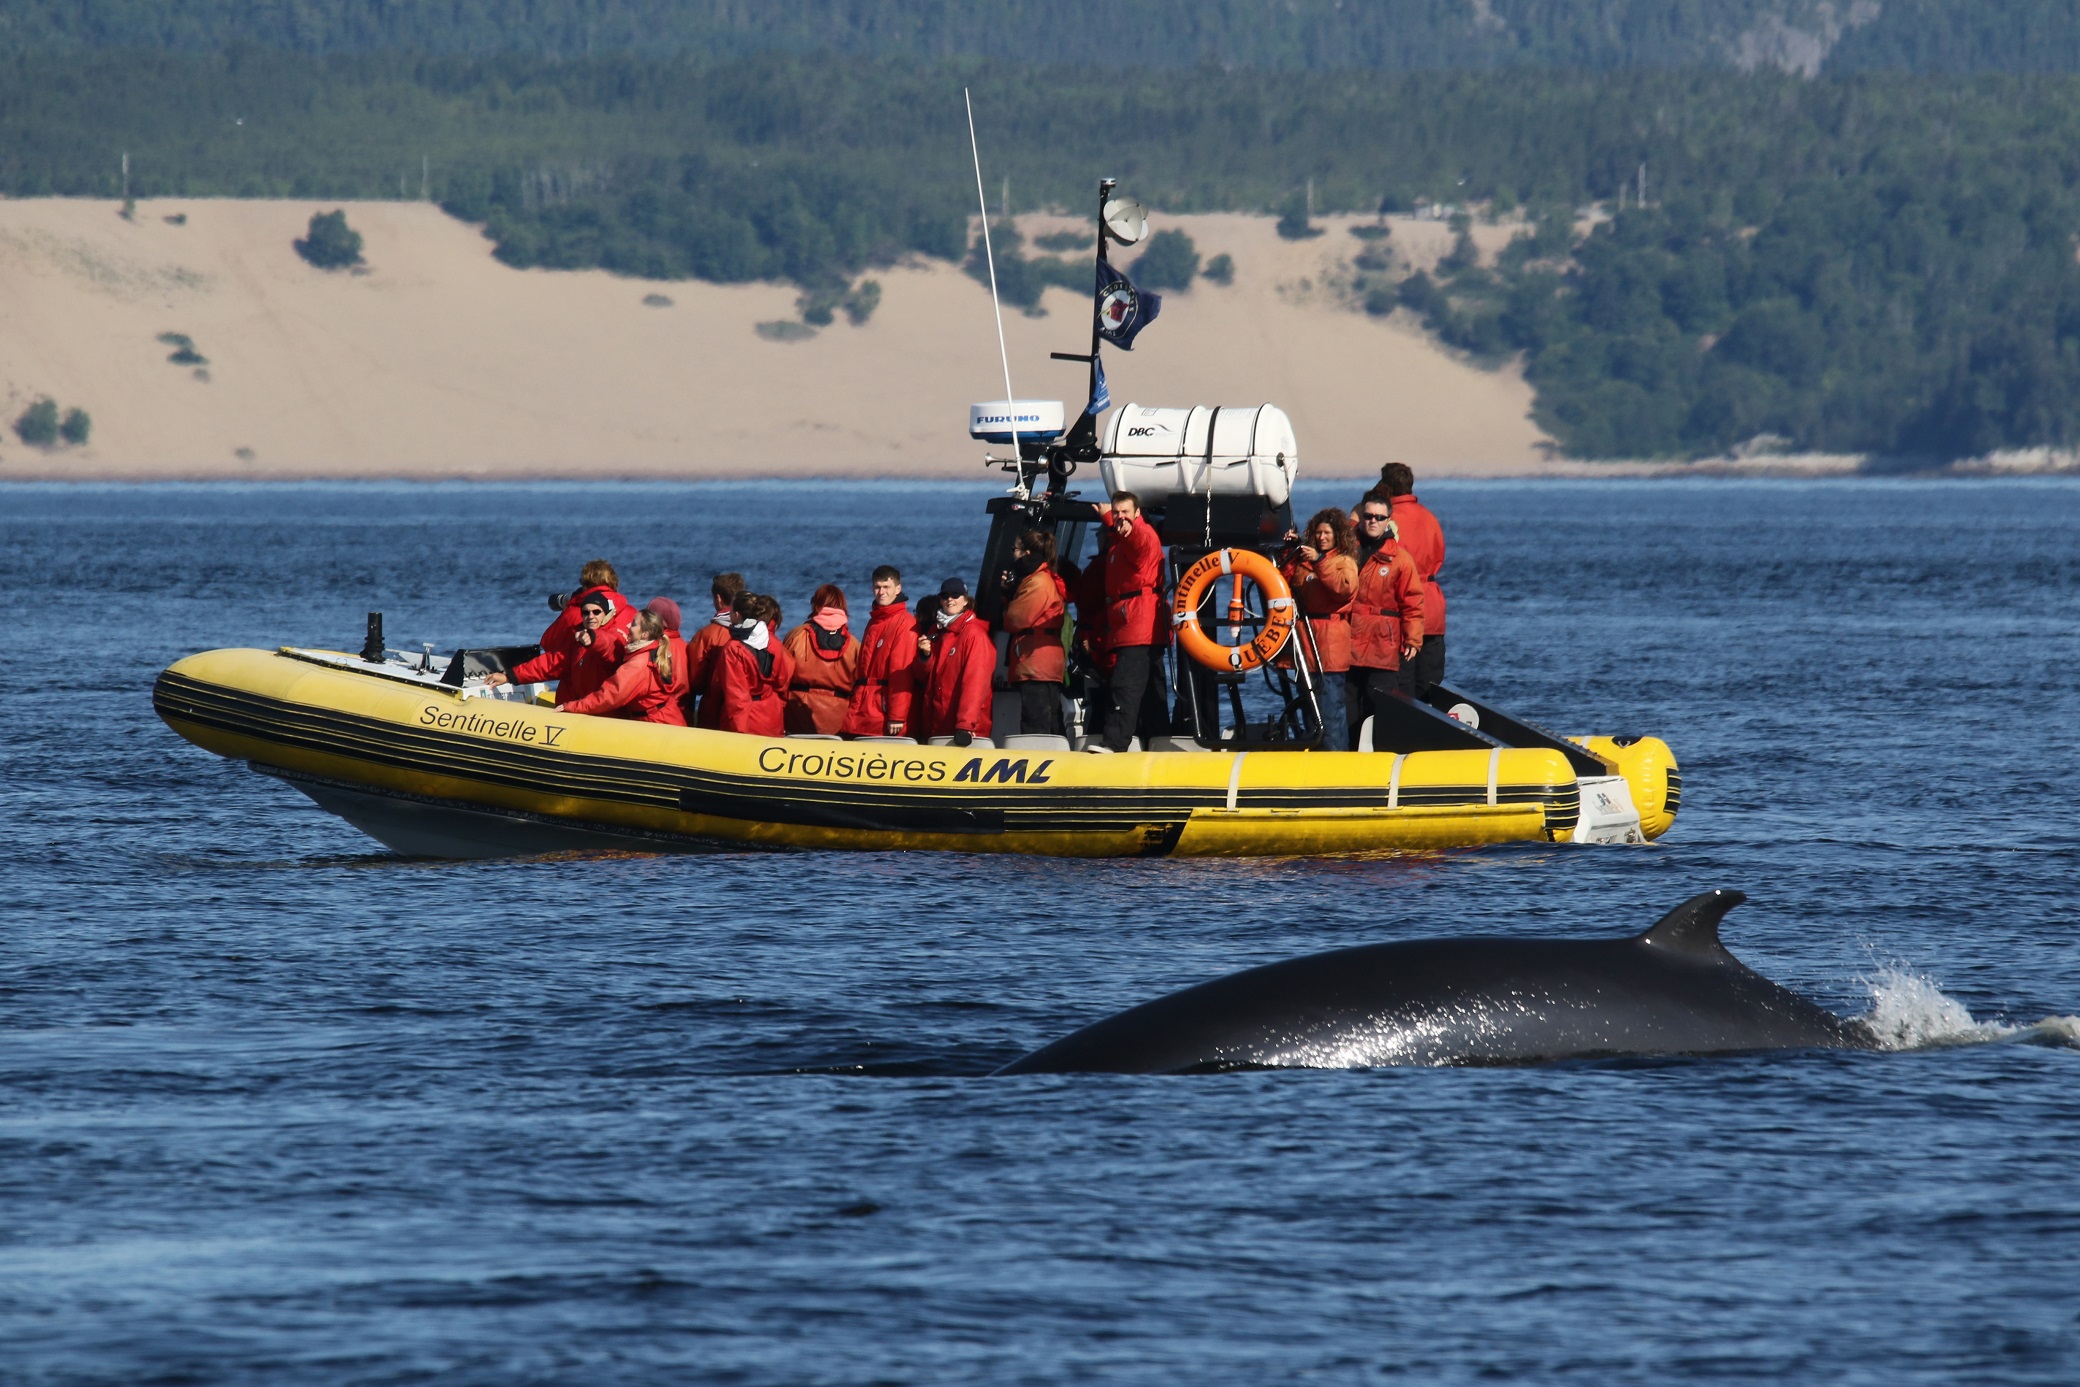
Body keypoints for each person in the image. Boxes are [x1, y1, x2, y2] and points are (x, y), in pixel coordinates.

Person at [1346, 498, 1427, 749]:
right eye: (1369, 516)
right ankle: (1346, 754)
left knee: (1380, 701)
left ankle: (1386, 753)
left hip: (1383, 642)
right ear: (1361, 518)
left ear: (1388, 521)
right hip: (1348, 639)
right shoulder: (1346, 551)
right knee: (1348, 705)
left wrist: (1413, 638)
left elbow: (1412, 602)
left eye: (1379, 517)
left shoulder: (1400, 559)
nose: (1373, 521)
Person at [1092, 491, 1168, 753]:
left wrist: (1112, 521)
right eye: (1116, 512)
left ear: (1137, 513)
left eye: (1126, 512)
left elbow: (1137, 541)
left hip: (1138, 626)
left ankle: (1114, 744)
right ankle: (1159, 740)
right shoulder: (1119, 542)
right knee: (1151, 692)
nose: (1121, 518)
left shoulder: (1141, 535)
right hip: (1138, 625)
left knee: (1125, 685)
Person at [1280, 507, 1359, 752]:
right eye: (1318, 533)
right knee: (1308, 707)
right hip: (1305, 640)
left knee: (1330, 710)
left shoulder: (1344, 562)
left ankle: (1336, 757)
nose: (1322, 537)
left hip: (1330, 644)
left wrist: (1319, 561)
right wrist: (1290, 551)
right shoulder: (1305, 563)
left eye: (1327, 533)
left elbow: (1343, 589)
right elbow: (1282, 581)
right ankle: (1313, 753)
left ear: (1337, 535)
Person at [487, 584, 632, 706]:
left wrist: (593, 639)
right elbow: (551, 664)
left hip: (605, 713)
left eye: (596, 612)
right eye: (586, 613)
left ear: (606, 615)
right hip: (582, 708)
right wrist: (510, 676)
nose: (591, 616)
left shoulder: (613, 637)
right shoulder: (578, 644)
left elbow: (608, 645)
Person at [1376, 462, 1448, 693]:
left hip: (1402, 609)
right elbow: (1438, 556)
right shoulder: (1429, 517)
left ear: (1385, 486)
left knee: (1402, 687)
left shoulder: (1386, 520)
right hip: (1432, 607)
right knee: (1430, 687)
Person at [560, 609, 688, 725]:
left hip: (658, 724)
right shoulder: (653, 650)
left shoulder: (637, 665)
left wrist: (572, 706)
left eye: (634, 624)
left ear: (645, 634)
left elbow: (609, 696)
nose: (628, 626)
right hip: (666, 719)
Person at [1001, 529, 1068, 737]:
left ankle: (1039, 753)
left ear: (1026, 553)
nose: (1012, 554)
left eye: (1014, 549)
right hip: (1042, 661)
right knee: (1049, 721)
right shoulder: (1040, 579)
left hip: (1037, 662)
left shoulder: (1038, 582)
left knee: (1036, 723)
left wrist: (1008, 596)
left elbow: (1015, 620)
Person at [841, 565, 919, 739]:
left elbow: (901, 673)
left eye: (886, 587)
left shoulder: (905, 623)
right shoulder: (874, 621)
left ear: (898, 589)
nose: (881, 592)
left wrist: (897, 716)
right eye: (877, 587)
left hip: (883, 711)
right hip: (864, 705)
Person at [914, 577, 993, 744]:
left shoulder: (974, 635)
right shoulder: (937, 632)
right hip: (937, 723)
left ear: (965, 601)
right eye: (945, 595)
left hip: (963, 730)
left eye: (955, 595)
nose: (950, 599)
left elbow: (975, 683)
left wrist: (965, 725)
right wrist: (925, 656)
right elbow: (924, 678)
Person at [705, 593, 794, 737]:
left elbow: (737, 698)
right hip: (771, 716)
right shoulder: (773, 642)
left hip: (747, 721)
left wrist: (739, 734)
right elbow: (782, 682)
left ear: (736, 615)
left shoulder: (733, 650)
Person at [782, 584, 862, 734]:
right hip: (838, 721)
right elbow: (859, 687)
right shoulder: (854, 644)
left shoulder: (796, 636)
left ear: (816, 604)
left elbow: (781, 678)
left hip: (798, 717)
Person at [686, 572, 746, 727]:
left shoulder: (706, 635)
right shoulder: (757, 630)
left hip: (714, 709)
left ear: (718, 599)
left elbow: (696, 681)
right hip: (748, 709)